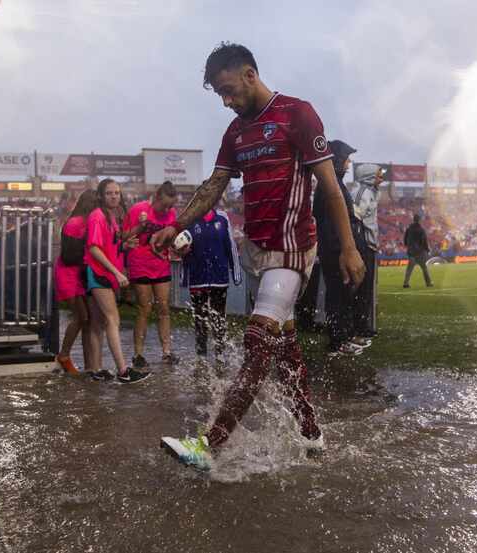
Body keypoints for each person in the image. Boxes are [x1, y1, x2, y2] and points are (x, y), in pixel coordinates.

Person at [153, 43, 365, 468]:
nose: (227, 101)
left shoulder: (297, 114)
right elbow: (214, 185)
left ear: (250, 74)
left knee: (256, 341)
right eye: (219, 96)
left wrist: (348, 247)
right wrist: (176, 225)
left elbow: (330, 185)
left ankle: (209, 446)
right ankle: (311, 434)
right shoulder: (236, 132)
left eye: (229, 90)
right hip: (257, 253)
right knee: (284, 350)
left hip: (292, 250)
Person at [85, 178, 151, 384]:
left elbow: (112, 244)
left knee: (97, 323)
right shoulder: (97, 216)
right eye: (109, 193)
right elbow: (94, 248)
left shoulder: (111, 217)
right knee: (113, 319)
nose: (114, 196)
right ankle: (123, 371)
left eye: (117, 193)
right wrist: (117, 272)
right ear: (100, 196)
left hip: (103, 273)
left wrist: (126, 245)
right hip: (99, 273)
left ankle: (96, 370)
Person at [311, 140, 363, 354]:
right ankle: (338, 341)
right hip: (335, 250)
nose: (349, 163)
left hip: (337, 248)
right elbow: (328, 222)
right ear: (338, 160)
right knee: (337, 295)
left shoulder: (334, 183)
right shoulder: (328, 186)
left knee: (343, 294)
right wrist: (343, 249)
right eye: (346, 158)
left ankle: (345, 336)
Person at [123, 181, 180, 368]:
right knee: (144, 308)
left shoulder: (171, 214)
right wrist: (141, 226)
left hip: (161, 264)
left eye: (171, 206)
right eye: (164, 205)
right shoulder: (138, 209)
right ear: (156, 198)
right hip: (140, 263)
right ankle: (138, 354)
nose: (167, 209)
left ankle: (167, 352)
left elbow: (172, 237)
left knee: (164, 307)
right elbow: (124, 236)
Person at [179, 207, 242, 359]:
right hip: (197, 279)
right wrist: (183, 275)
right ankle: (201, 357)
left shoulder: (222, 217)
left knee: (219, 318)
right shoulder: (190, 218)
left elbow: (230, 245)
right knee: (200, 319)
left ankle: (220, 354)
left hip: (219, 278)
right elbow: (181, 248)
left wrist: (236, 272)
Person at [54, 190, 98, 375]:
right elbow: (68, 255)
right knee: (81, 316)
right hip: (67, 274)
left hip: (77, 274)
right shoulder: (75, 223)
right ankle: (63, 356)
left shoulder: (87, 222)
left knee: (85, 318)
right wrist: (89, 254)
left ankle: (86, 363)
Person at [346, 164, 384, 349]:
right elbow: (354, 221)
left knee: (367, 291)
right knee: (360, 290)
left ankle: (364, 326)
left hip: (370, 246)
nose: (381, 179)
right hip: (363, 247)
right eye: (378, 175)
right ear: (368, 176)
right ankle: (357, 329)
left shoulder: (371, 192)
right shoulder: (361, 192)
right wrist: (358, 246)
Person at [403, 213, 433, 288]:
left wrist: (408, 246)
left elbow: (405, 239)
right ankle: (428, 283)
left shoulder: (409, 229)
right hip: (420, 252)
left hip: (411, 252)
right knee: (424, 268)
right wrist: (427, 249)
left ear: (413, 220)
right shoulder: (421, 229)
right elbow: (424, 241)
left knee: (409, 268)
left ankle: (405, 283)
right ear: (419, 220)